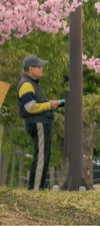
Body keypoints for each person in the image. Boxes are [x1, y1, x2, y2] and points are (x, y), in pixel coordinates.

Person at [17, 55, 62, 190]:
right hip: (38, 123)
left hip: (40, 122)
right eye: (39, 66)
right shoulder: (26, 85)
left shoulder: (32, 84)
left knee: (44, 155)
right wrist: (49, 105)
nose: (42, 69)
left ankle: (37, 187)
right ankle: (35, 189)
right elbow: (30, 107)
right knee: (42, 156)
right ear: (31, 69)